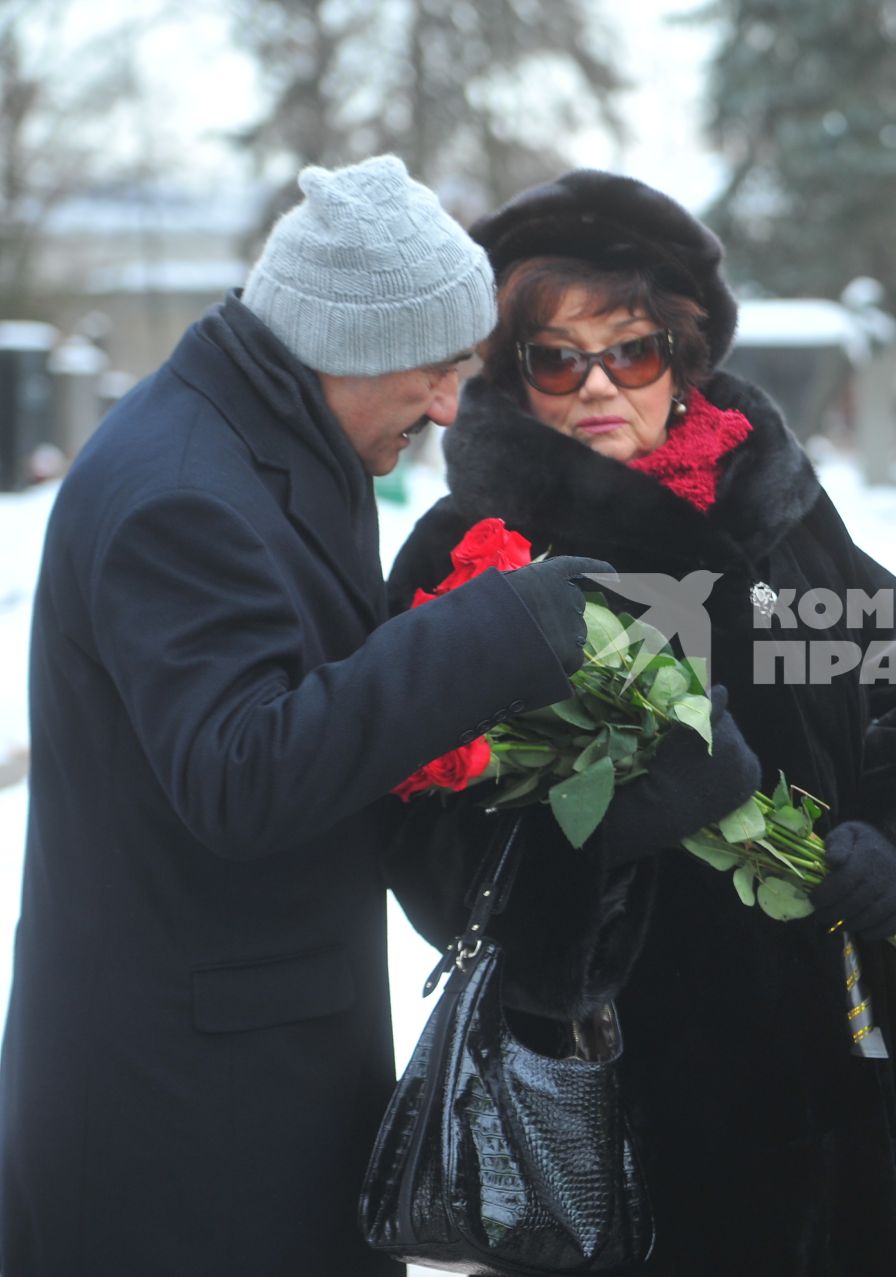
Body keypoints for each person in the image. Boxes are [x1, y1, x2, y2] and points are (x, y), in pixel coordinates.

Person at [0, 156, 608, 1276]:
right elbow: (242, 772)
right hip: (181, 1123)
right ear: (341, 346)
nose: (446, 406)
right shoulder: (181, 490)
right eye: (431, 372)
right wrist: (488, 631)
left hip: (240, 1066)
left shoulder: (264, 436)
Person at [382, 169, 896, 1276]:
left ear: (684, 352)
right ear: (513, 377)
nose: (599, 384)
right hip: (633, 1097)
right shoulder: (470, 555)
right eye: (556, 356)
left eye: (633, 349)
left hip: (841, 1058)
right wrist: (616, 832)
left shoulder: (778, 503)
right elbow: (429, 844)